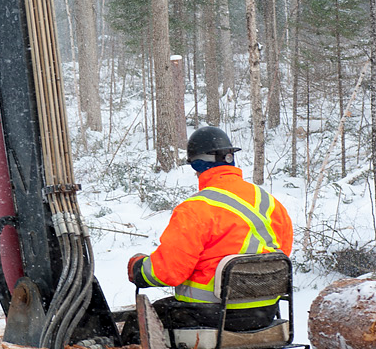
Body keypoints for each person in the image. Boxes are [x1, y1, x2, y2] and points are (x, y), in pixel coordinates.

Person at [123, 127, 293, 338]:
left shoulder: (195, 209)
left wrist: (139, 268)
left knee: (136, 324)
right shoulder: (270, 202)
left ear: (197, 164)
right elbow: (282, 253)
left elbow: (169, 271)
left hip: (209, 317)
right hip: (264, 315)